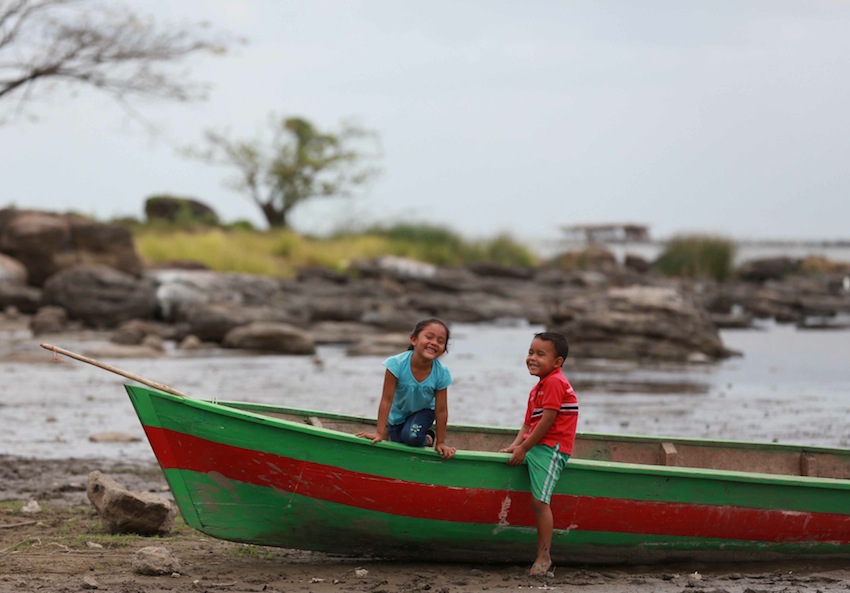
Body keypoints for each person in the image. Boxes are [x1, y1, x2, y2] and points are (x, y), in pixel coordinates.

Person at [500, 331, 579, 576]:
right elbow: (527, 426)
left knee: (539, 501)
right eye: (530, 352)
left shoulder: (555, 382)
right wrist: (516, 445)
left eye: (540, 354)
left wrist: (524, 448)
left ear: (557, 363)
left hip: (552, 448)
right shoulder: (537, 390)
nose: (532, 358)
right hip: (536, 445)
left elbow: (548, 420)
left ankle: (544, 557)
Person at [357, 318, 457, 459]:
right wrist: (379, 433)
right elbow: (386, 400)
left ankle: (428, 438)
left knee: (412, 436)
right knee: (400, 442)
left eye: (440, 341)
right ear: (414, 340)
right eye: (429, 337)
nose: (434, 343)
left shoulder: (441, 373)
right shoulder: (396, 365)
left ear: (443, 350)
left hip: (424, 412)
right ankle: (413, 434)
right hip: (398, 414)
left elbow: (441, 410)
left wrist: (440, 443)